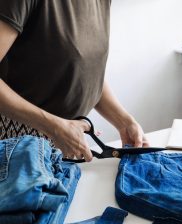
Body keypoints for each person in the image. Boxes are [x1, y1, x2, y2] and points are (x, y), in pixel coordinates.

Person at [0, 0, 149, 162]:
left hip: (68, 142)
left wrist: (124, 121)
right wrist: (54, 127)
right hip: (16, 142)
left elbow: (84, 71)